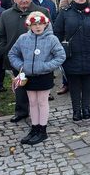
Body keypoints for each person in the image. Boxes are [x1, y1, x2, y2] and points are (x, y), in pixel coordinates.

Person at [8, 12, 65, 145]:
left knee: (42, 101)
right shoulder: (23, 38)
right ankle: (34, 128)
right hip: (29, 76)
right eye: (34, 24)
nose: (38, 27)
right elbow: (13, 54)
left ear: (46, 24)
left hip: (44, 75)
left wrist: (45, 66)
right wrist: (22, 66)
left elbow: (60, 56)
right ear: (29, 25)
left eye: (40, 24)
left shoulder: (52, 39)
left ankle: (42, 130)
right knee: (32, 102)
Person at [0, 0, 50, 123]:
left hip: (37, 58)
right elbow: (0, 36)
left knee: (37, 89)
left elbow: (49, 33)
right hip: (16, 58)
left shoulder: (41, 11)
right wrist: (4, 50)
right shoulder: (6, 14)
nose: (23, 0)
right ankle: (21, 111)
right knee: (20, 85)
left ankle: (39, 114)